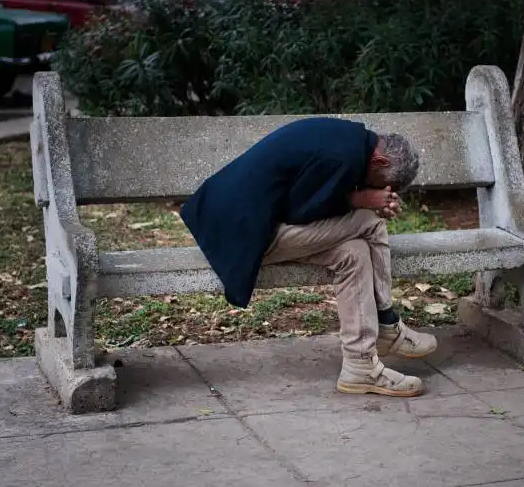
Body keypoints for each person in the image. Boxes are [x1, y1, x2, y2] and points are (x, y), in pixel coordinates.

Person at [180, 117, 436, 397]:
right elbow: (300, 213)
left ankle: (359, 366)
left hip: (254, 224)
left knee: (355, 253)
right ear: (381, 161)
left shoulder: (351, 141)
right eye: (383, 186)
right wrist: (362, 201)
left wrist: (363, 198)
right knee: (371, 221)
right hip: (240, 235)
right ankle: (387, 322)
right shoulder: (344, 156)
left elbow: (305, 199)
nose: (380, 191)